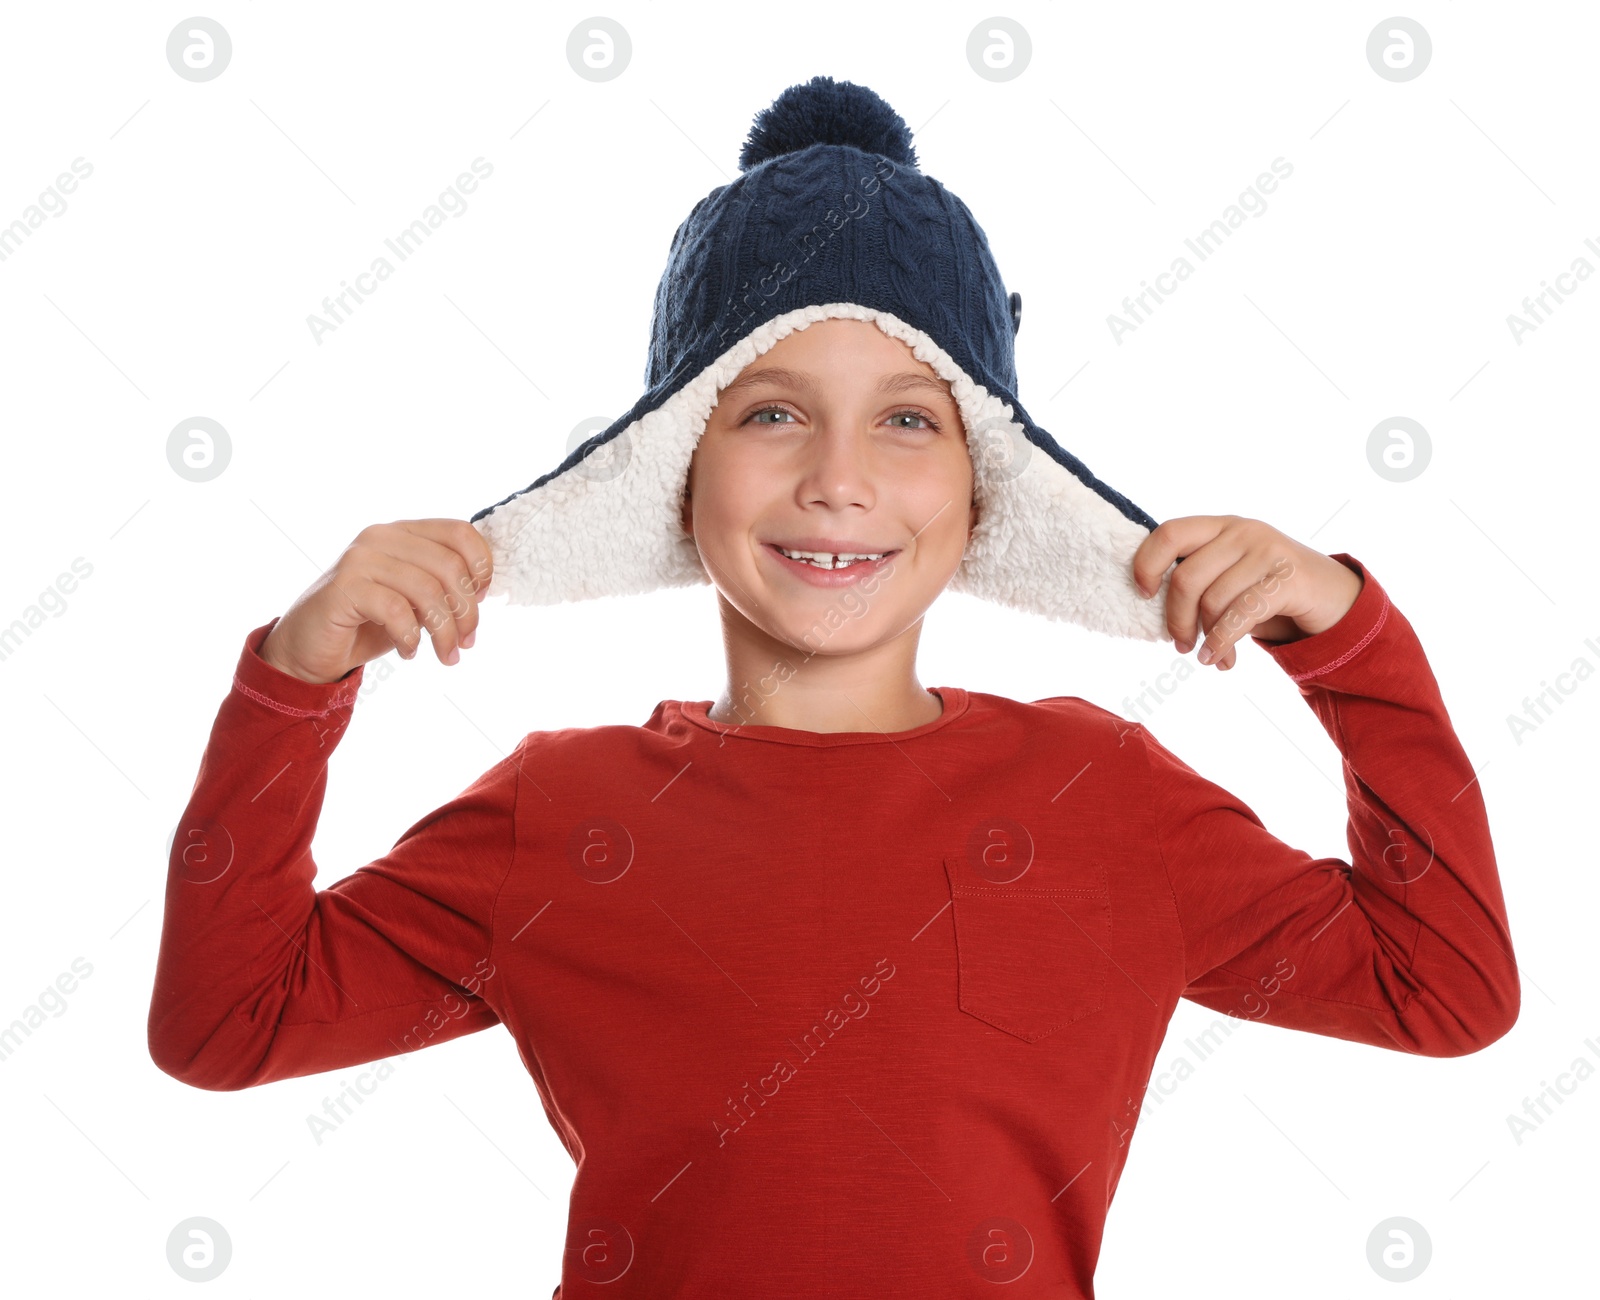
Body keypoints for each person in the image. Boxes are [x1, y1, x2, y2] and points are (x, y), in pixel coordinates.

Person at [147, 76, 1519, 1298]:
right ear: (679, 467)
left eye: (910, 419)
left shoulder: (1106, 802)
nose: (838, 479)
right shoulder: (556, 814)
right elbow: (225, 1024)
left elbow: (1444, 987)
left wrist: (1348, 642)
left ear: (985, 489)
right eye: (771, 411)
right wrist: (294, 681)